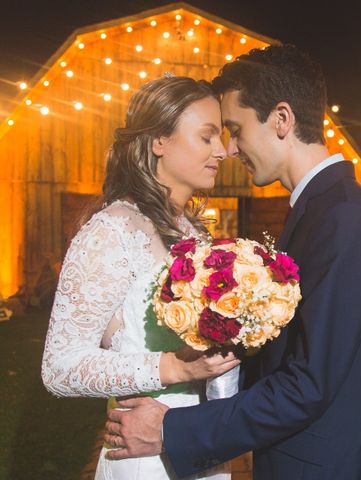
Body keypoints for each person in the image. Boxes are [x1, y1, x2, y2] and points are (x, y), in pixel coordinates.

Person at [106, 45, 361, 480]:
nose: (231, 149)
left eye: (237, 130)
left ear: (282, 119)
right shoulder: (318, 209)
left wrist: (173, 429)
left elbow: (310, 383)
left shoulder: (343, 218)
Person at [41, 75, 241, 480]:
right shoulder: (111, 231)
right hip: (145, 454)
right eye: (206, 138)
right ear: (159, 141)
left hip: (200, 443)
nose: (222, 151)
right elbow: (59, 368)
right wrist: (175, 368)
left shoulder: (196, 234)